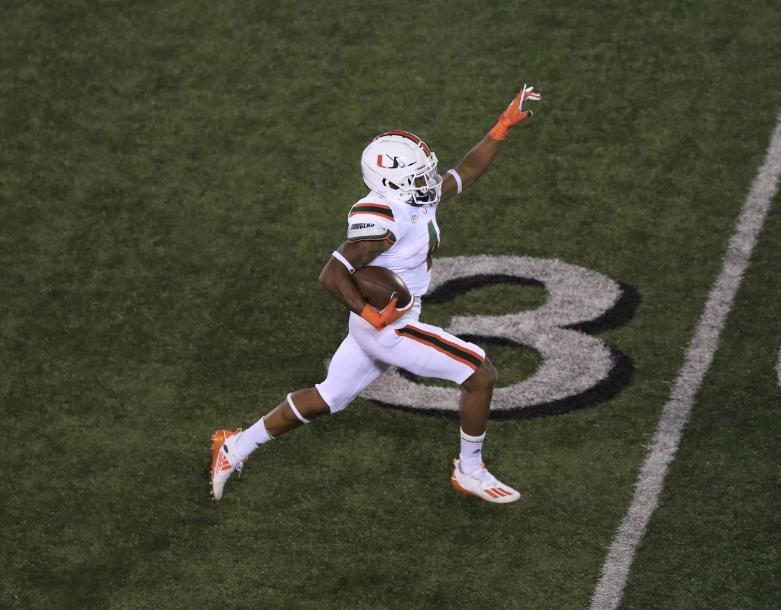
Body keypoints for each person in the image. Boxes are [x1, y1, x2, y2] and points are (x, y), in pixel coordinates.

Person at [210, 85, 542, 504]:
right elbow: (332, 273)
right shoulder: (383, 214)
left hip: (388, 315)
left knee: (326, 398)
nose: (428, 181)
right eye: (417, 176)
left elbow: (464, 173)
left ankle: (234, 446)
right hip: (388, 322)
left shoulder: (415, 196)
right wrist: (369, 314)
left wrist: (500, 128)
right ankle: (470, 470)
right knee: (480, 373)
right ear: (389, 182)